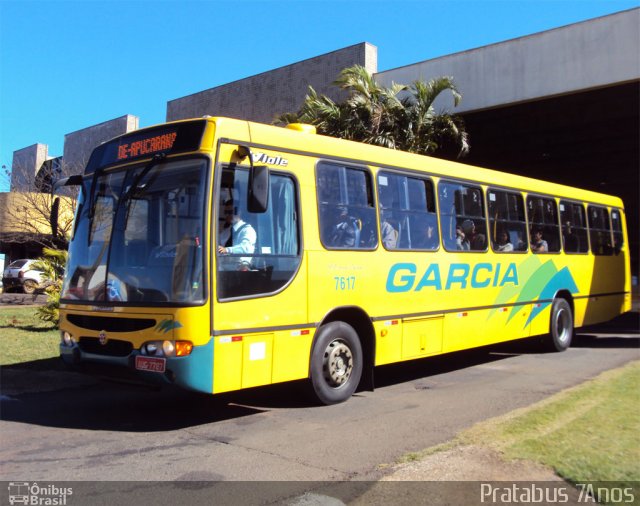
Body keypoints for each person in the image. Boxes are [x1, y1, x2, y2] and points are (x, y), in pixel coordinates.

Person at [218, 200, 256, 266]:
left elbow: (246, 248)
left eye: (230, 212)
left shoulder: (248, 230)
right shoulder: (225, 232)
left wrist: (227, 250)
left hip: (240, 270)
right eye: (225, 212)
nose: (227, 215)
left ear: (239, 212)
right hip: (222, 270)